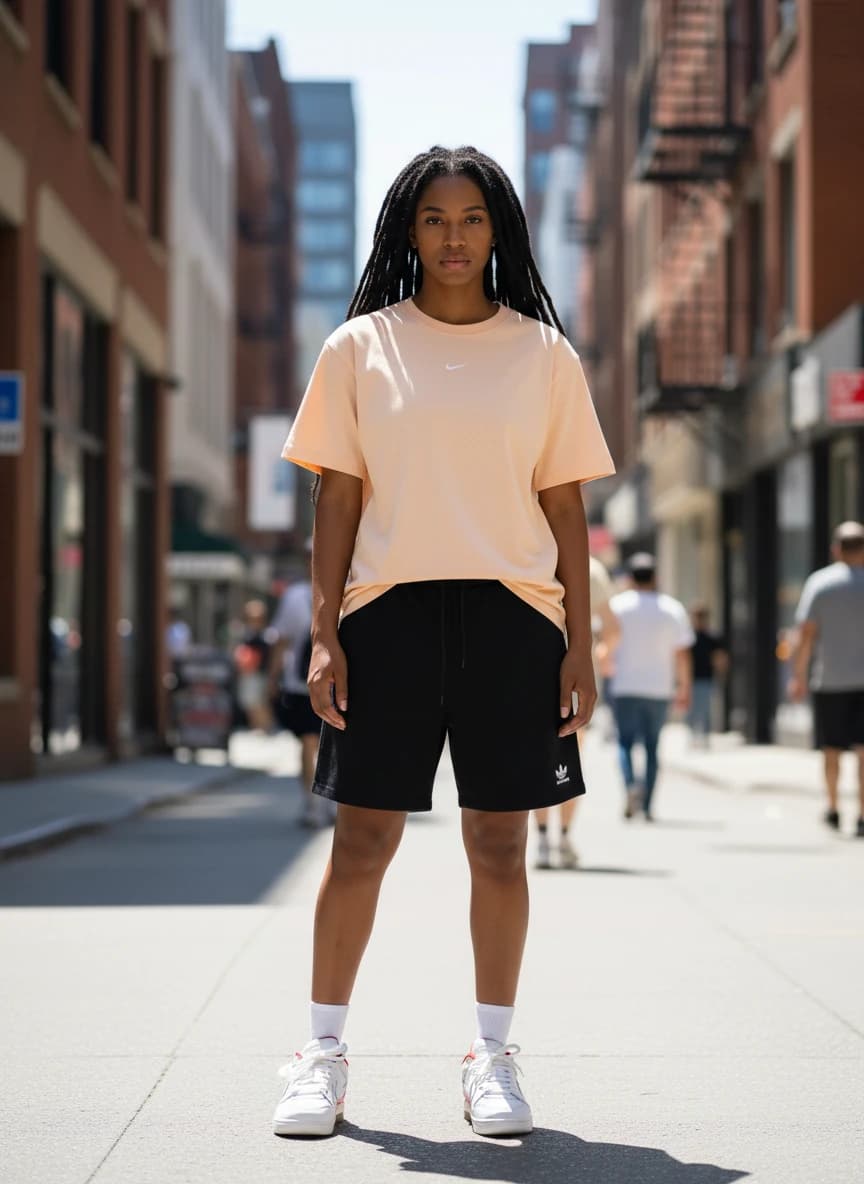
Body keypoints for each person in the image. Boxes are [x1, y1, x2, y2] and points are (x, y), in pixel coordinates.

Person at [271, 145, 614, 1139]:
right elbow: (338, 500)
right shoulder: (358, 348)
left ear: (497, 228)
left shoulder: (544, 354)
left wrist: (579, 644)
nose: (453, 238)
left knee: (500, 843)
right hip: (388, 618)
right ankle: (322, 1055)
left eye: (471, 219)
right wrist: (325, 633)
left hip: (516, 619)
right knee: (361, 841)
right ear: (408, 232)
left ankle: (492, 1056)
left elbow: (566, 507)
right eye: (434, 219)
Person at [532, 556, 620, 869]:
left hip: (532, 671)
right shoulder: (591, 569)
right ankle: (565, 837)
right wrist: (601, 654)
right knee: (568, 758)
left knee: (537, 757)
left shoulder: (532, 552)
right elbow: (613, 628)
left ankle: (543, 839)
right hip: (575, 677)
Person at [789, 521, 864, 837]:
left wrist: (798, 676)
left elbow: (806, 635)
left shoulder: (820, 584)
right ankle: (862, 815)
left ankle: (833, 808)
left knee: (831, 750)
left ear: (836, 549)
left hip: (830, 680)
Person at [609, 554, 693, 822]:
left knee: (624, 743)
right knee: (652, 748)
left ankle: (631, 786)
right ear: (656, 577)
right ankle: (647, 806)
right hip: (659, 688)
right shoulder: (672, 608)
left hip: (625, 685)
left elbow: (604, 642)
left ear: (630, 578)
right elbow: (682, 654)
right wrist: (684, 687)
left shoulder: (617, 606)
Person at [270, 559, 326, 827]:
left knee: (308, 742)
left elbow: (281, 641)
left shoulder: (295, 596)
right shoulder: (352, 588)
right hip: (334, 684)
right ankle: (326, 803)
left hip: (302, 682)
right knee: (331, 744)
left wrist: (272, 679)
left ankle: (312, 803)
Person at [688, 603, 727, 746]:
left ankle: (704, 737)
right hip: (690, 679)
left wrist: (721, 674)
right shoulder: (689, 637)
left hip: (706, 678)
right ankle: (693, 736)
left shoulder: (712, 638)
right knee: (690, 710)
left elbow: (720, 658)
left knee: (705, 709)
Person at [234, 600, 274, 733]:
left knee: (259, 703)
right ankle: (256, 728)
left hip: (260, 674)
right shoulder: (245, 632)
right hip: (248, 674)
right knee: (250, 703)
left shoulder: (268, 635)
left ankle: (265, 728)